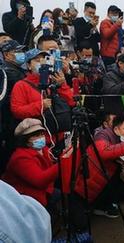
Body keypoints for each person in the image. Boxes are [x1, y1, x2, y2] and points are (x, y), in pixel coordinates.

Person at [72, 114, 124, 220]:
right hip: (89, 178)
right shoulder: (103, 134)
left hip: (109, 175)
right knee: (80, 214)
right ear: (116, 128)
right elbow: (104, 153)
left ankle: (104, 204)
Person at [2, 118, 63, 208]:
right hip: (25, 199)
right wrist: (63, 162)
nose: (41, 138)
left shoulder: (43, 149)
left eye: (42, 134)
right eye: (35, 136)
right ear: (25, 140)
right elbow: (40, 180)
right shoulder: (20, 158)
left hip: (43, 190)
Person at [0, 40, 27, 172]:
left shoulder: (17, 69)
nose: (21, 54)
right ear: (6, 55)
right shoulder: (9, 72)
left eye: (21, 51)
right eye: (16, 51)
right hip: (11, 121)